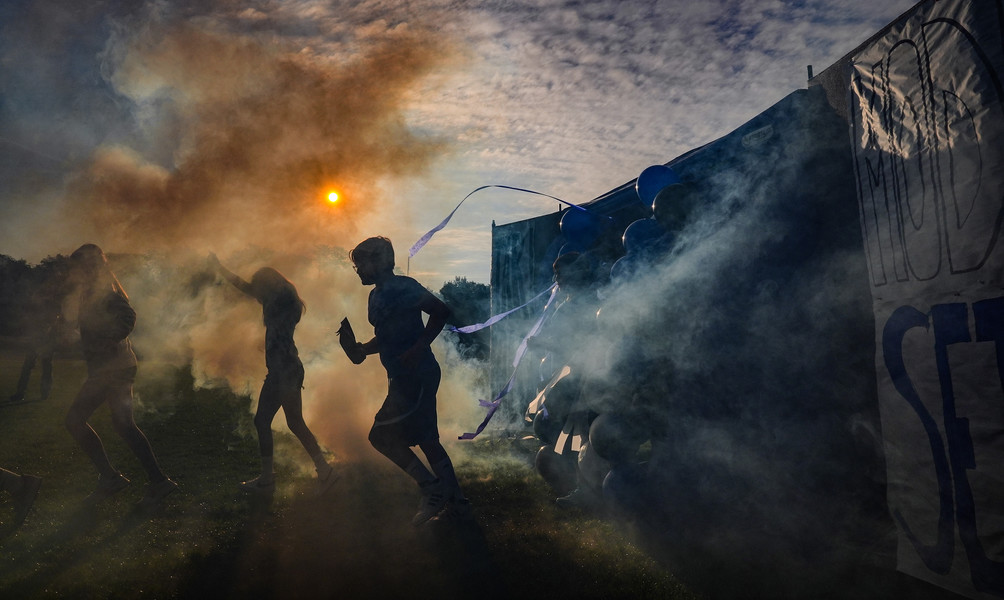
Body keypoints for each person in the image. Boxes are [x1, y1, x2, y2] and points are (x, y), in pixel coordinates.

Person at [342, 236, 470, 525]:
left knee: (379, 436)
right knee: (428, 440)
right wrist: (363, 348)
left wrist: (420, 346)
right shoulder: (374, 295)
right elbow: (387, 336)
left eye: (361, 263)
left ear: (380, 261)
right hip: (402, 377)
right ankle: (457, 503)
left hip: (417, 375)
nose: (359, 270)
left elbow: (441, 312)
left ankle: (431, 488)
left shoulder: (404, 286)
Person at [209, 253, 337, 495]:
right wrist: (221, 269)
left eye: (260, 287)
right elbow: (245, 288)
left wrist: (220, 268)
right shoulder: (283, 300)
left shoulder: (282, 300)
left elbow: (249, 290)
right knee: (290, 422)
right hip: (286, 369)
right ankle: (322, 470)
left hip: (284, 371)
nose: (256, 293)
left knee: (271, 421)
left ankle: (272, 479)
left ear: (268, 285)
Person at [65, 244, 177, 506]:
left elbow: (128, 316)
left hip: (111, 369)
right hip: (116, 367)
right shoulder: (94, 291)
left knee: (74, 420)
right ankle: (158, 481)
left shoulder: (105, 290)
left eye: (80, 266)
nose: (77, 272)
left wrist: (108, 339)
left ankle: (111, 477)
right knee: (124, 426)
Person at [8, 257, 69, 404]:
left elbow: (56, 315)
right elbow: (32, 312)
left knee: (44, 365)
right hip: (38, 335)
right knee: (31, 365)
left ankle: (43, 393)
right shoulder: (42, 295)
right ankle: (23, 392)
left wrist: (47, 329)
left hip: (46, 336)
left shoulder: (54, 297)